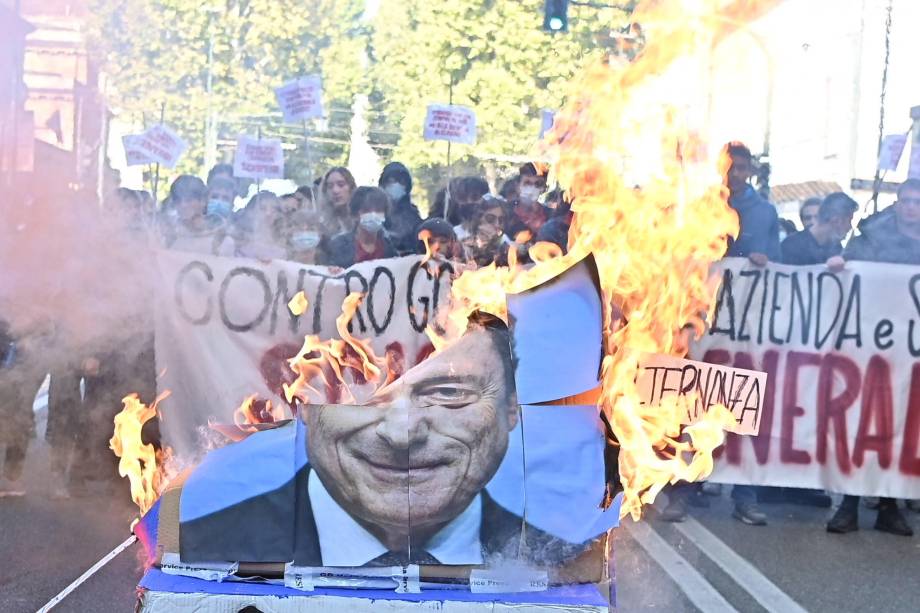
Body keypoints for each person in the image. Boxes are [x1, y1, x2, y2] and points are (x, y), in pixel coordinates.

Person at [173, 319, 596, 567]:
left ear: (511, 411)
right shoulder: (207, 552)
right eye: (360, 393)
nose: (400, 433)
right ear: (303, 405)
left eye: (448, 393)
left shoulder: (559, 564)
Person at [824, 179, 920, 537]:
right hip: (868, 346)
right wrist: (841, 262)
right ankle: (849, 505)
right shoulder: (870, 235)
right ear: (897, 204)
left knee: (898, 427)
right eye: (906, 201)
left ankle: (890, 507)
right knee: (862, 424)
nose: (911, 207)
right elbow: (849, 265)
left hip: (908, 352)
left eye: (917, 202)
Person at [723, 142, 780, 266]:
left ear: (750, 171)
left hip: (752, 283)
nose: (735, 174)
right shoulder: (704, 209)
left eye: (741, 168)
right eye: (730, 167)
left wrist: (765, 259)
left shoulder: (767, 212)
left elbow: (776, 259)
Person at [324, 187, 397, 268]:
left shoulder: (391, 245)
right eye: (366, 210)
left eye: (378, 210)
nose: (373, 214)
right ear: (355, 215)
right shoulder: (338, 246)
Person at [781, 192, 857, 269]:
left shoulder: (836, 248)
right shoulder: (791, 246)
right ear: (836, 220)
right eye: (849, 221)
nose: (850, 227)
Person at [378, 161, 423, 255]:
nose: (396, 185)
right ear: (383, 184)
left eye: (401, 182)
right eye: (392, 181)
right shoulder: (373, 209)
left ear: (407, 187)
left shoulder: (412, 215)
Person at [233, 191, 287, 260]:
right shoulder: (237, 242)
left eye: (273, 209)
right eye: (262, 208)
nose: (268, 213)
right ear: (250, 212)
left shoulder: (282, 247)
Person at [462, 196, 512, 267]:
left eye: (501, 220)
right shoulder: (463, 241)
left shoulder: (504, 243)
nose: (497, 224)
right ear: (479, 218)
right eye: (490, 219)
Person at [506, 163, 548, 242]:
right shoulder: (506, 213)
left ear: (543, 188)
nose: (532, 188)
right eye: (527, 183)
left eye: (538, 184)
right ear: (518, 186)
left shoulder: (551, 214)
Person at [319, 167, 357, 238]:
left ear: (351, 187)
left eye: (341, 185)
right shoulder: (322, 224)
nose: (335, 190)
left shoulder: (361, 220)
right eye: (330, 186)